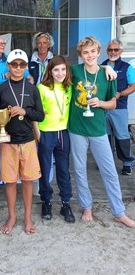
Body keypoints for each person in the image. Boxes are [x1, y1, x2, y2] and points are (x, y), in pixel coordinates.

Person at [68, 36, 135, 227]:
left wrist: (101, 103)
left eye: (92, 51)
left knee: (110, 171)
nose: (89, 55)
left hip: (98, 130)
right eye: (85, 52)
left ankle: (119, 212)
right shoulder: (75, 71)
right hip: (77, 128)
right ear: (81, 55)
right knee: (80, 170)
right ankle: (86, 206)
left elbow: (113, 103)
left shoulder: (108, 75)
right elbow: (56, 71)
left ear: (98, 52)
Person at [0, 49, 44, 235]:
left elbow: (40, 115)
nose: (18, 68)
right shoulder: (0, 89)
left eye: (22, 64)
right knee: (10, 182)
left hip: (28, 141)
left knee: (29, 180)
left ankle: (28, 217)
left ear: (26, 66)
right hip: (8, 142)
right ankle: (12, 216)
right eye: (14, 64)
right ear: (8, 66)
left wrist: (25, 112)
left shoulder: (32, 88)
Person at [37, 55, 75, 223]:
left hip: (63, 133)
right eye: (56, 70)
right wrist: (37, 133)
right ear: (50, 71)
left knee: (64, 169)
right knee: (45, 169)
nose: (60, 73)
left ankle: (65, 203)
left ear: (67, 71)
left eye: (63, 70)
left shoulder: (69, 87)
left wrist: (106, 67)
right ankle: (46, 201)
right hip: (46, 132)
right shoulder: (42, 88)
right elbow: (35, 114)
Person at [101, 39, 135, 175]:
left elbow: (133, 87)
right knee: (105, 137)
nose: (113, 52)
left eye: (116, 50)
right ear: (107, 51)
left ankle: (127, 163)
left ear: (121, 51)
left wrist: (120, 94)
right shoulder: (101, 66)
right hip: (103, 108)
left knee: (122, 137)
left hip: (119, 107)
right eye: (110, 50)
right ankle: (105, 163)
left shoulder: (127, 67)